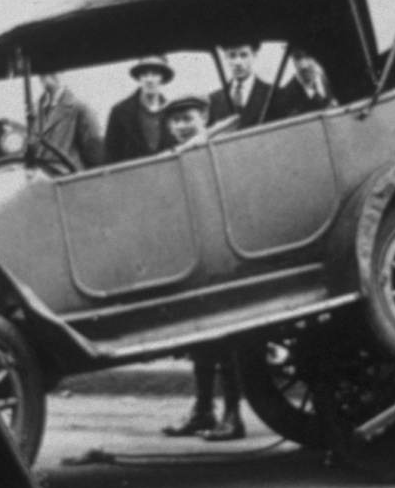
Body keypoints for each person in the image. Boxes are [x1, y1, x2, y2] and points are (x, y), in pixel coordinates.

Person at [155, 99, 242, 439]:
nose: (181, 127)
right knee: (201, 339)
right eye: (175, 121)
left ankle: (234, 416)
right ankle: (204, 410)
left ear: (204, 117)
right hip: (193, 260)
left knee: (229, 337)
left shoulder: (218, 150)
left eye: (188, 119)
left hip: (223, 257)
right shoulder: (175, 158)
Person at [104, 57, 174, 163]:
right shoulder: (120, 112)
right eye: (144, 74)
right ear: (139, 78)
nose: (149, 80)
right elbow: (110, 156)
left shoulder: (172, 111)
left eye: (155, 74)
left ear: (162, 78)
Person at [30, 71, 104, 170]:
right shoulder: (35, 110)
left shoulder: (80, 108)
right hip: (42, 180)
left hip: (69, 179)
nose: (46, 76)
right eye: (42, 71)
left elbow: (95, 156)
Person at [208, 42, 274, 128]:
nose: (238, 62)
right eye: (232, 56)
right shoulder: (213, 100)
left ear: (254, 55)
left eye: (244, 55)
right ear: (225, 58)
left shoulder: (272, 93)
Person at [269, 50, 336, 120]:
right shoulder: (282, 102)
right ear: (292, 60)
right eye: (298, 58)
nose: (303, 65)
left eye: (308, 56)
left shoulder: (331, 81)